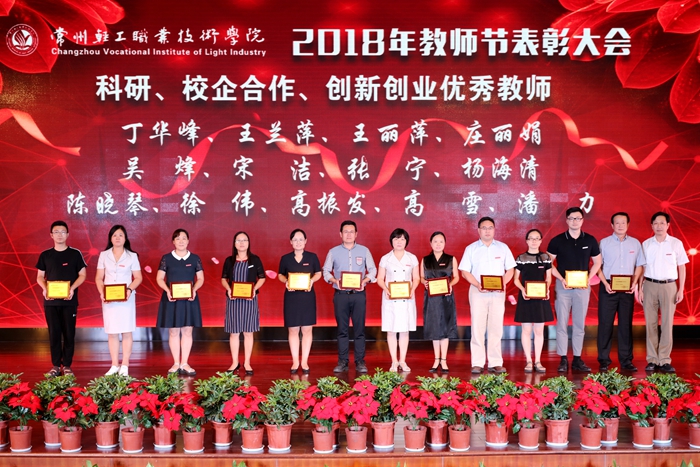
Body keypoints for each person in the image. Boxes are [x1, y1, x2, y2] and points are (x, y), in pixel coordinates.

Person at [547, 207, 602, 373]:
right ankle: (563, 358)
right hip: (563, 287)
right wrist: (561, 279)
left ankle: (577, 358)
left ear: (582, 220)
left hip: (582, 288)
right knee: (561, 323)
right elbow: (548, 263)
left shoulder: (590, 240)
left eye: (578, 218)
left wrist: (588, 278)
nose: (575, 221)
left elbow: (598, 262)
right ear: (566, 220)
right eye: (571, 218)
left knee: (579, 323)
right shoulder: (557, 240)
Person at [458, 217, 516, 374]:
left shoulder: (503, 248)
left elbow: (510, 269)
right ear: (478, 230)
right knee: (477, 327)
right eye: (484, 228)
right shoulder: (471, 249)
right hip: (478, 292)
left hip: (498, 293)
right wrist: (478, 284)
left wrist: (503, 283)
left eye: (490, 228)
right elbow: (464, 271)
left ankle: (495, 362)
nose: (487, 231)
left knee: (496, 327)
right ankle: (477, 362)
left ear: (494, 229)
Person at [323, 220, 377, 373]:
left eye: (351, 231)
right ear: (340, 234)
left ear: (356, 234)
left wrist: (364, 281)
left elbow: (373, 270)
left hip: (359, 295)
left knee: (360, 329)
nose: (348, 234)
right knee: (342, 330)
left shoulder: (364, 251)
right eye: (345, 231)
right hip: (340, 295)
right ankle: (342, 361)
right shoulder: (333, 252)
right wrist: (335, 281)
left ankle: (360, 361)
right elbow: (325, 271)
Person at [36, 220, 87, 377]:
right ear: (51, 235)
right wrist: (45, 288)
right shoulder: (45, 255)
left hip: (69, 301)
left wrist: (72, 288)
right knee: (54, 333)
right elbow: (39, 276)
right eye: (56, 232)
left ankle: (68, 366)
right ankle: (56, 365)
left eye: (63, 232)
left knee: (69, 333)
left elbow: (82, 275)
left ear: (67, 234)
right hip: (51, 302)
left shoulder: (75, 254)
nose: (60, 235)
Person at [640, 212, 688, 373]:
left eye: (662, 223)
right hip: (649, 285)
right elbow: (642, 268)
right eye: (655, 223)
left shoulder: (676, 243)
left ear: (668, 225)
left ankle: (665, 359)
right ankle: (652, 359)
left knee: (667, 323)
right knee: (651, 323)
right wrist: (640, 288)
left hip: (669, 286)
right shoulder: (646, 244)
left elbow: (682, 266)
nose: (659, 226)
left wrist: (681, 289)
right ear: (652, 226)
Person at [596, 212, 645, 372]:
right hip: (608, 287)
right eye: (617, 223)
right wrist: (605, 283)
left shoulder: (635, 243)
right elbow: (597, 266)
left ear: (628, 225)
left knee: (625, 324)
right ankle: (603, 360)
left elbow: (640, 265)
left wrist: (635, 283)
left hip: (628, 289)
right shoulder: (604, 243)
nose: (620, 225)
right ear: (612, 225)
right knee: (605, 324)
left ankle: (626, 360)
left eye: (623, 222)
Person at [95, 225, 143, 376]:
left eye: (120, 235)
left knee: (126, 331)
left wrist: (129, 290)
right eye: (114, 235)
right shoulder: (104, 255)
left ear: (125, 238)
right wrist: (102, 292)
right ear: (110, 238)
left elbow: (138, 277)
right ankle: (114, 364)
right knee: (112, 332)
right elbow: (99, 277)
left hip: (126, 298)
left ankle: (125, 365)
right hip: (108, 299)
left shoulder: (132, 256)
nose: (117, 238)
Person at [156, 229, 204, 376]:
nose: (181, 241)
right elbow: (159, 278)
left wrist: (194, 289)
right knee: (173, 331)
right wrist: (167, 291)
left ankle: (185, 363)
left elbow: (200, 279)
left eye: (184, 238)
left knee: (188, 331)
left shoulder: (195, 258)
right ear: (173, 241)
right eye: (178, 238)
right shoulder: (166, 258)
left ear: (188, 241)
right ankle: (176, 363)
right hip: (171, 299)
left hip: (189, 299)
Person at [221, 231, 266, 375]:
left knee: (248, 332)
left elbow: (262, 278)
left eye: (244, 240)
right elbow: (223, 279)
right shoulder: (229, 260)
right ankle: (235, 362)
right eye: (238, 240)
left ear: (248, 243)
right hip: (233, 301)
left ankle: (247, 362)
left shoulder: (255, 260)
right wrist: (229, 289)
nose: (242, 243)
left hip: (250, 300)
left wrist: (254, 290)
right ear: (234, 243)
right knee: (234, 333)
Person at [278, 229, 321, 374]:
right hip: (292, 297)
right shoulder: (285, 258)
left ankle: (305, 361)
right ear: (291, 242)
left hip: (307, 297)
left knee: (307, 329)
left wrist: (311, 281)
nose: (298, 242)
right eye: (295, 239)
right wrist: (286, 281)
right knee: (293, 330)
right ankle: (295, 361)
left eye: (301, 239)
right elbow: (280, 275)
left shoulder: (312, 257)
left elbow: (318, 273)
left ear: (305, 241)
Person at [377, 228, 419, 372]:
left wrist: (412, 290)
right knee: (391, 330)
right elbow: (380, 278)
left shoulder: (412, 258)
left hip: (407, 299)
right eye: (396, 239)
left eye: (402, 239)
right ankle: (394, 361)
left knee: (405, 330)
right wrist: (386, 289)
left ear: (406, 241)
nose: (399, 242)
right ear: (391, 241)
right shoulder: (385, 258)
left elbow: (416, 278)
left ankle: (403, 361)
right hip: (390, 299)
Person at [513, 229, 553, 374]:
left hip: (540, 298)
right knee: (526, 330)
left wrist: (546, 289)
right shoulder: (521, 258)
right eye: (531, 238)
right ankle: (529, 361)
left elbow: (548, 278)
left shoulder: (545, 257)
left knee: (539, 330)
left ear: (541, 241)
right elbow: (515, 279)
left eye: (537, 238)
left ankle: (538, 361)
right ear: (527, 241)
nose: (534, 241)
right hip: (526, 297)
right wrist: (523, 290)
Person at [420, 231, 459, 374]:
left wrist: (450, 285)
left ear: (445, 243)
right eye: (435, 241)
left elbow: (456, 277)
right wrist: (424, 282)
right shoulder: (425, 260)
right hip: (431, 298)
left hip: (446, 297)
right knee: (434, 327)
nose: (438, 244)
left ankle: (444, 360)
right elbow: (421, 277)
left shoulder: (451, 259)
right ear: (431, 243)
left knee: (445, 328)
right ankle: (436, 359)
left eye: (441, 241)